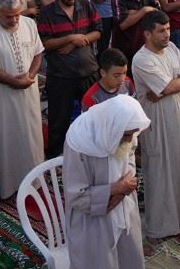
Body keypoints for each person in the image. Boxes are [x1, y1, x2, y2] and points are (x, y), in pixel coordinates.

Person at [131, 10, 180, 239]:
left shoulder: (172, 48)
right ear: (147, 34)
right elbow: (169, 87)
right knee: (161, 172)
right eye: (161, 31)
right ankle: (163, 225)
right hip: (158, 126)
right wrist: (178, 83)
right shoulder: (142, 59)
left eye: (168, 29)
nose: (167, 35)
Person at [63, 94, 149, 269]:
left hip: (124, 207)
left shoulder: (126, 129)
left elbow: (130, 160)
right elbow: (76, 197)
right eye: (126, 135)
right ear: (113, 128)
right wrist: (115, 189)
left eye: (132, 134)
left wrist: (122, 191)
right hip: (92, 223)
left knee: (129, 258)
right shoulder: (80, 141)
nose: (129, 139)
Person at [0, 0, 44, 200]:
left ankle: (35, 180)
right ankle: (9, 185)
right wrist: (13, 81)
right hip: (3, 96)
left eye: (17, 14)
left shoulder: (29, 24)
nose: (15, 19)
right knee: (6, 137)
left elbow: (38, 53)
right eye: (9, 16)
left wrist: (30, 75)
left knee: (32, 136)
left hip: (29, 92)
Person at [36, 0, 102, 157]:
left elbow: (98, 31)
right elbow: (44, 43)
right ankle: (56, 157)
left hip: (88, 70)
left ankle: (95, 151)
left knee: (94, 115)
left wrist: (76, 42)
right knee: (59, 120)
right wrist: (70, 38)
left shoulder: (85, 5)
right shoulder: (47, 13)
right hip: (61, 75)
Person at [111, 0, 160, 66]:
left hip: (146, 45)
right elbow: (123, 24)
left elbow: (157, 13)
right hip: (126, 47)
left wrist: (133, 14)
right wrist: (144, 10)